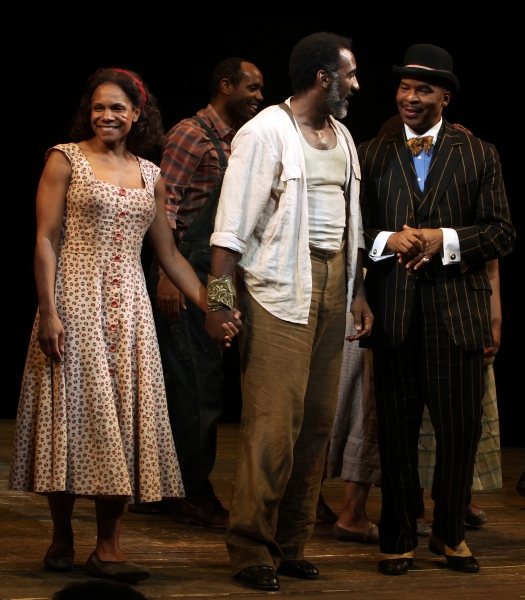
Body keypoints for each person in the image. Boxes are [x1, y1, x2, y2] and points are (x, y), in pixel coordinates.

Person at [9, 68, 238, 583]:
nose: (107, 116)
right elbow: (45, 239)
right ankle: (62, 534)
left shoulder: (150, 173)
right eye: (98, 108)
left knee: (122, 422)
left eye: (117, 108)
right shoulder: (64, 158)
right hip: (74, 299)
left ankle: (109, 545)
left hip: (130, 309)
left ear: (137, 114)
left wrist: (216, 305)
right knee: (72, 418)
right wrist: (48, 310)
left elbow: (172, 257)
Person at [206, 32, 372, 591]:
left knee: (317, 425)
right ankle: (251, 546)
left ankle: (291, 542)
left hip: (333, 284)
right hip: (280, 288)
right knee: (273, 427)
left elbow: (353, 223)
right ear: (323, 77)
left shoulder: (343, 136)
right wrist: (220, 304)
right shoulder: (265, 133)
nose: (355, 83)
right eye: (348, 74)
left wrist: (357, 293)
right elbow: (228, 230)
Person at [359, 44, 515, 575]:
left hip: (458, 315)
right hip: (395, 314)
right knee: (397, 435)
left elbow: (501, 232)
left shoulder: (479, 153)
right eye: (404, 88)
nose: (410, 97)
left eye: (422, 90)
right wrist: (388, 239)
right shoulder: (371, 152)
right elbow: (352, 231)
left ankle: (450, 535)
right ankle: (397, 537)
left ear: (444, 96)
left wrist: (441, 237)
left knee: (458, 432)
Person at [133, 58, 264, 528]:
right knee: (194, 384)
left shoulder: (236, 141)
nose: (259, 96)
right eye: (251, 87)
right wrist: (169, 277)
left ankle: (171, 486)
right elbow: (162, 204)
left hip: (217, 271)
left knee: (207, 374)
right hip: (182, 269)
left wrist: (223, 296)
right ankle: (185, 490)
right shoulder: (192, 133)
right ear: (224, 85)